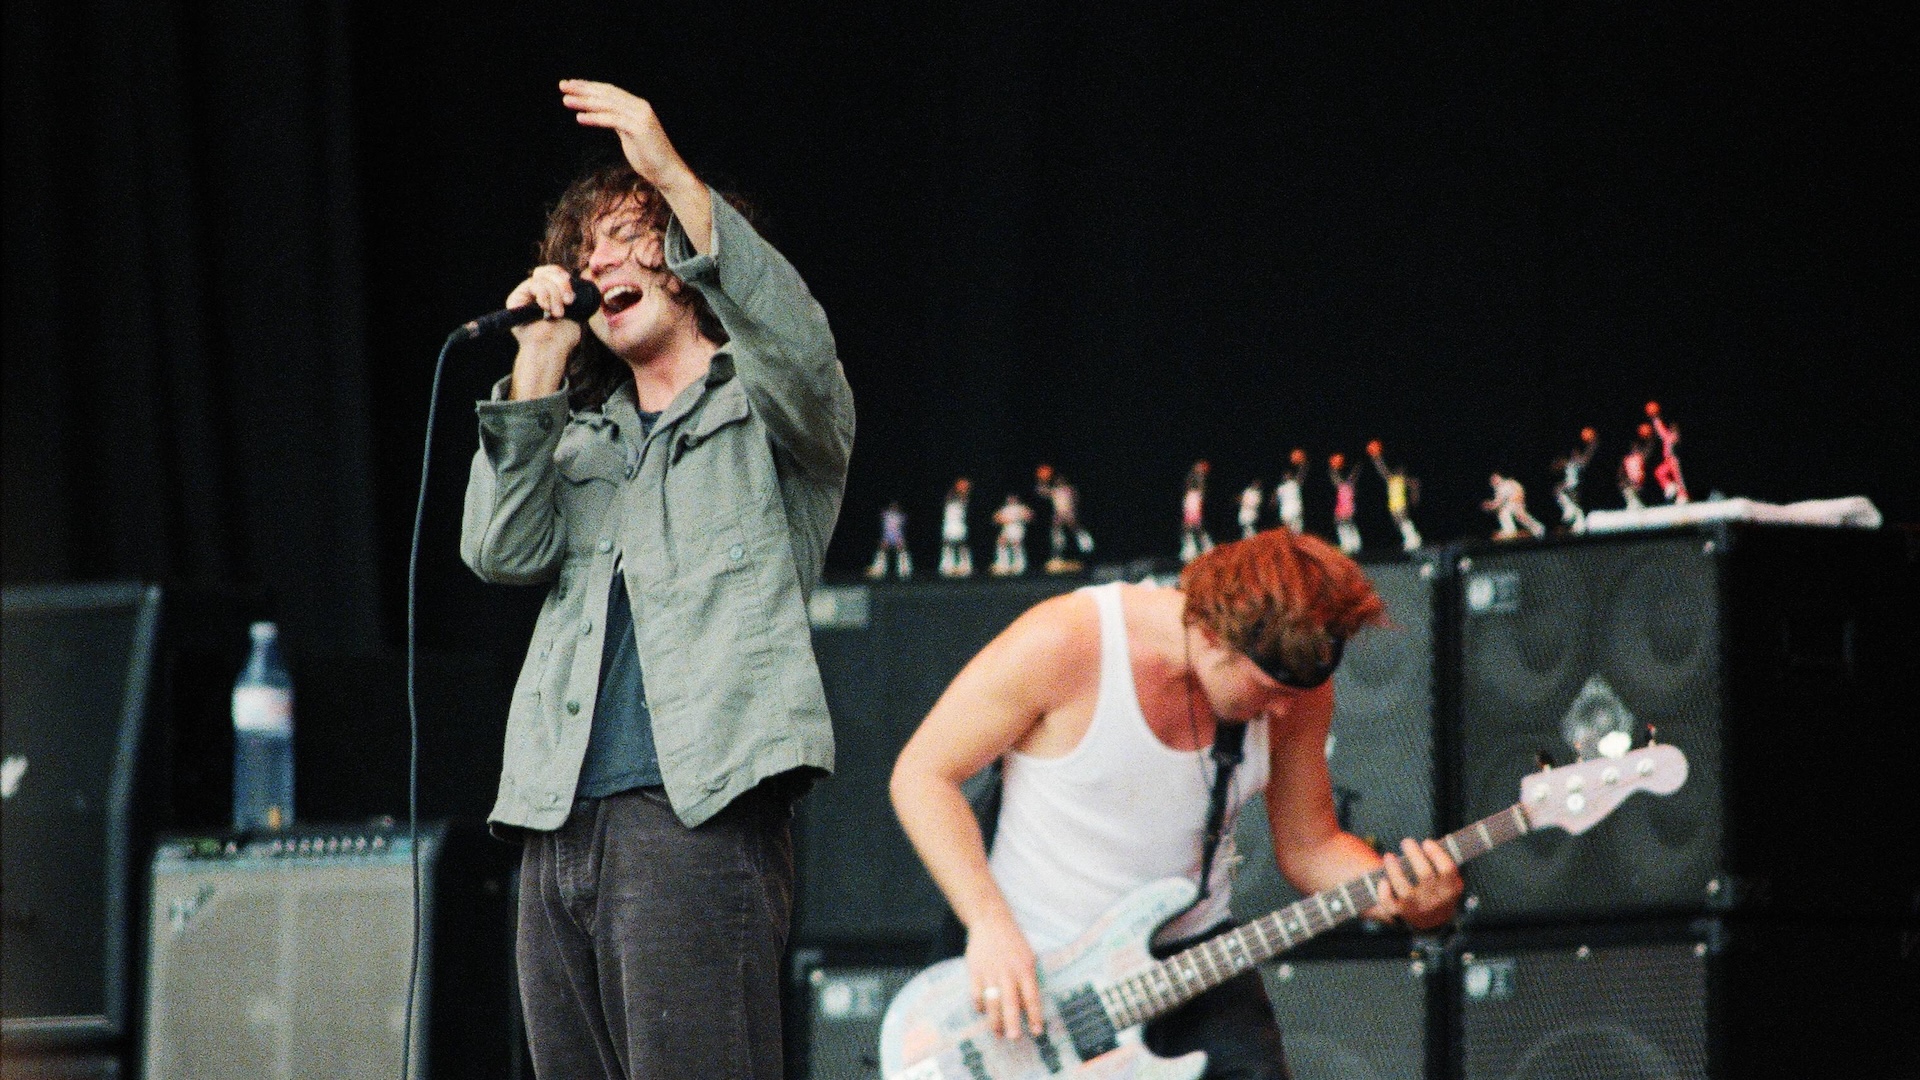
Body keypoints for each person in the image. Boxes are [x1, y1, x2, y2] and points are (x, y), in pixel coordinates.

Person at [459, 79, 854, 1080]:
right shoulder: (578, 443)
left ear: (683, 255)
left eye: (625, 237)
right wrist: (538, 365)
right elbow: (497, 552)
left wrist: (670, 175)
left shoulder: (765, 415)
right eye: (582, 250)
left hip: (696, 810)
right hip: (555, 821)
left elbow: (799, 353)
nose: (595, 263)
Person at [890, 530, 1462, 1079]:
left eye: (1294, 697)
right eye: (1268, 692)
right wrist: (989, 925)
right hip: (1044, 968)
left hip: (1195, 962)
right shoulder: (1067, 641)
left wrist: (1406, 895)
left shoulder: (1299, 693)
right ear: (1213, 636)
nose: (1283, 713)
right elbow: (923, 775)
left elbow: (1311, 846)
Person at [1483, 472, 1544, 539]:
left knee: (1505, 513)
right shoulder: (1500, 487)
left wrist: (1490, 505)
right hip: (1514, 501)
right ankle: (1538, 529)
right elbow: (1498, 501)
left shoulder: (1505, 484)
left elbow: (1499, 501)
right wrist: (1491, 505)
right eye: (1492, 480)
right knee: (1519, 516)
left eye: (1495, 478)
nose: (1494, 481)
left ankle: (1510, 531)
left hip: (1515, 501)